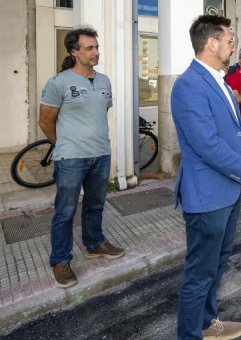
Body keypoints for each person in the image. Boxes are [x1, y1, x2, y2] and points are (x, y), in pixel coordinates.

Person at [170, 15, 241, 339]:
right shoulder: (189, 85)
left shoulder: (220, 79)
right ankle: (190, 334)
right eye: (229, 40)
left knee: (217, 263)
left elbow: (236, 132)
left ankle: (207, 324)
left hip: (228, 190)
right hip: (207, 196)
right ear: (211, 43)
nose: (232, 45)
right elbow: (206, 143)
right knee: (200, 272)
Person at [39, 27, 125, 289]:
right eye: (89, 48)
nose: (96, 52)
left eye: (96, 47)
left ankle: (95, 244)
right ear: (74, 51)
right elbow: (45, 121)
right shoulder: (58, 82)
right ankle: (61, 260)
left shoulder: (104, 81)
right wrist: (64, 144)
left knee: (96, 204)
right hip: (71, 158)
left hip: (101, 154)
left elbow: (97, 115)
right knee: (65, 211)